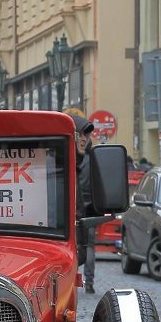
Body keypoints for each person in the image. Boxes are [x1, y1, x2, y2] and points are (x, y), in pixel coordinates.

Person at [71, 114, 98, 294]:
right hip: (75, 219)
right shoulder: (63, 165)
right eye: (80, 134)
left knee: (87, 247)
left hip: (86, 213)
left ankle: (87, 280)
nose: (84, 139)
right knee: (89, 247)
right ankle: (88, 281)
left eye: (86, 135)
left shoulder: (81, 162)